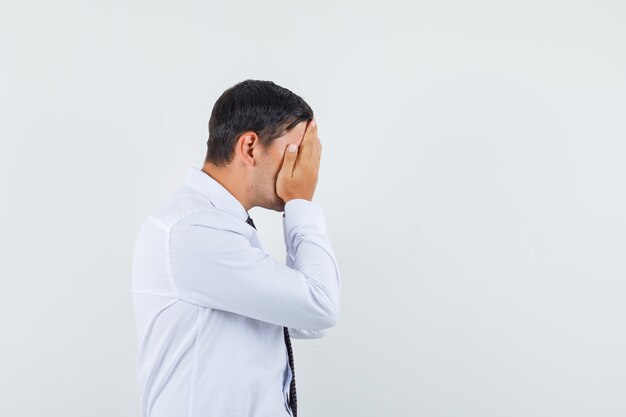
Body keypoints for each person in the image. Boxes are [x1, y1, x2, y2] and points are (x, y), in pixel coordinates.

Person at [131, 79, 342, 417]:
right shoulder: (195, 230)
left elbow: (307, 321)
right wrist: (300, 202)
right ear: (249, 148)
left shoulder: (225, 227)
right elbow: (319, 305)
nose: (305, 168)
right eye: (297, 151)